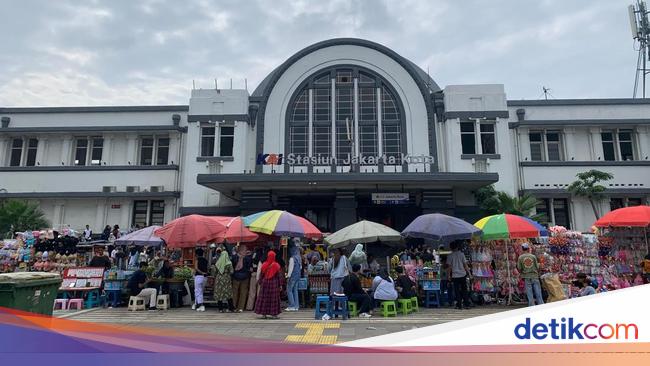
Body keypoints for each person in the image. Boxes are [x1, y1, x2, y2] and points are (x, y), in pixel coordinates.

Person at [255, 250, 282, 319]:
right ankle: (274, 314)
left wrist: (260, 282)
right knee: (273, 299)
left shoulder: (264, 264)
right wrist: (280, 285)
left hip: (265, 284)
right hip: (274, 284)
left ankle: (264, 314)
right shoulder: (276, 265)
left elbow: (261, 275)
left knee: (264, 299)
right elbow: (279, 276)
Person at [517, 242, 544, 307]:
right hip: (534, 276)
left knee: (529, 292)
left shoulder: (520, 257)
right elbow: (537, 267)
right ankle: (541, 304)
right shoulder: (533, 256)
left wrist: (522, 272)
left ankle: (531, 305)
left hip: (526, 276)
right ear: (528, 249)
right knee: (538, 291)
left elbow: (519, 268)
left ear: (523, 249)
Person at [447, 241, 472, 310]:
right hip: (463, 274)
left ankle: (459, 305)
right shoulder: (462, 254)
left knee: (456, 291)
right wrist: (469, 274)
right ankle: (467, 304)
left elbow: (449, 267)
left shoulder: (450, 256)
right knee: (464, 290)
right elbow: (465, 265)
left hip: (455, 276)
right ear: (457, 247)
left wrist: (449, 275)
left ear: (451, 248)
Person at [211, 248, 235, 312]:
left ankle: (220, 309)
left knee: (219, 293)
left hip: (219, 278)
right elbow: (232, 271)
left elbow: (214, 272)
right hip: (226, 278)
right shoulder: (229, 263)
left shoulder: (218, 262)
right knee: (228, 293)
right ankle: (231, 308)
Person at [231, 244, 253, 312]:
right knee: (242, 292)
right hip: (244, 277)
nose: (245, 251)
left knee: (236, 292)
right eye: (244, 250)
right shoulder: (248, 258)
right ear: (240, 250)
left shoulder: (234, 257)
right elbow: (250, 268)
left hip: (236, 276)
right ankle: (240, 307)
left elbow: (232, 267)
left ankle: (234, 306)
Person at [285, 245, 302, 311]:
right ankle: (296, 306)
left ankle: (292, 306)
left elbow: (290, 269)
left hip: (292, 276)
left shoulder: (292, 258)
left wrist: (288, 276)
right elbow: (300, 268)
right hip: (298, 276)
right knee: (295, 290)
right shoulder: (299, 258)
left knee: (289, 290)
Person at [193, 248, 209, 312]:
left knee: (198, 291)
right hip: (205, 277)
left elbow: (196, 268)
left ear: (196, 254)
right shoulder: (206, 260)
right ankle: (197, 304)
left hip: (198, 277)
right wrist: (205, 273)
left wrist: (201, 272)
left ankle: (201, 305)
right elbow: (207, 268)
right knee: (201, 291)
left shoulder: (197, 260)